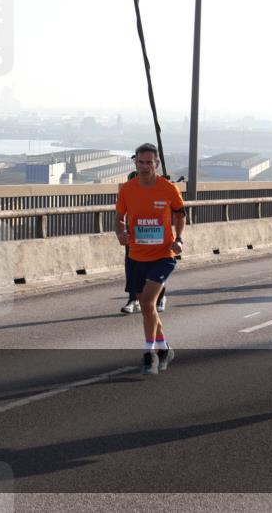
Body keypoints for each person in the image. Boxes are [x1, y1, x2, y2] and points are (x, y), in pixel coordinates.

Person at [115, 143, 185, 375]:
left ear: (156, 164)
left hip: (164, 255)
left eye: (149, 162)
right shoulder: (126, 189)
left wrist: (179, 238)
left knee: (147, 303)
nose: (145, 166)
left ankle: (149, 354)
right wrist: (120, 233)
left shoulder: (168, 188)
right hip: (136, 255)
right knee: (148, 308)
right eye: (141, 162)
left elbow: (180, 214)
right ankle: (165, 348)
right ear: (135, 162)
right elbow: (119, 218)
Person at [120, 164, 168, 314]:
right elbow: (120, 215)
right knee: (132, 268)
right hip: (135, 237)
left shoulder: (161, 187)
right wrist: (121, 232)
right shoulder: (129, 187)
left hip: (156, 237)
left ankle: (160, 296)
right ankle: (132, 299)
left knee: (153, 269)